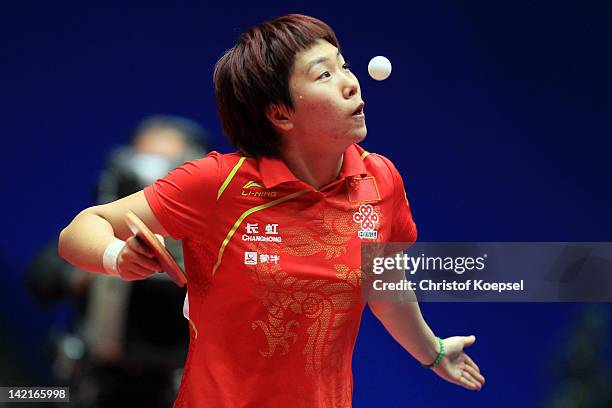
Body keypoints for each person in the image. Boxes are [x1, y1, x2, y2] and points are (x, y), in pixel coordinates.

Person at [58, 14, 485, 407]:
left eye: (344, 66)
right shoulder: (217, 184)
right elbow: (81, 229)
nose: (351, 83)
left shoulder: (380, 181)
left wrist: (434, 352)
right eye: (324, 74)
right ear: (280, 113)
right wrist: (116, 259)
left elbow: (385, 287)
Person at [30, 115, 209, 407]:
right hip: (93, 384)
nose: (151, 176)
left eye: (168, 164)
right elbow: (42, 278)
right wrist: (103, 261)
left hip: (176, 387)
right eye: (143, 159)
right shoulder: (102, 226)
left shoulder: (216, 236)